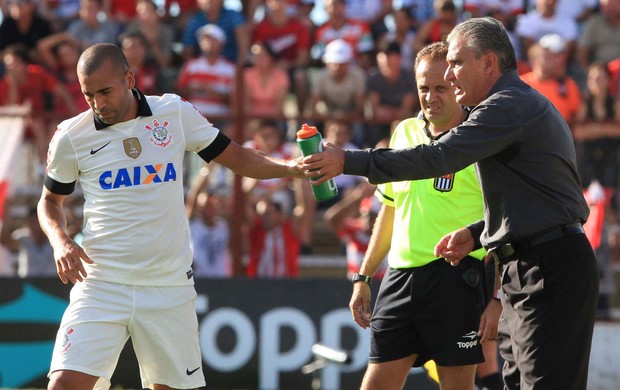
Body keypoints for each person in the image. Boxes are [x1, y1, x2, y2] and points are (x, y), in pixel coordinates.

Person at [302, 17, 598, 390]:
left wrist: (349, 161)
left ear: (489, 63)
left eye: (457, 63)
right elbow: (532, 201)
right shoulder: (507, 107)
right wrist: (477, 235)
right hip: (525, 266)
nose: (452, 75)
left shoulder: (507, 106)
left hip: (547, 267)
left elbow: (439, 157)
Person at [37, 43, 303, 389]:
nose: (98, 104)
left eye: (105, 91)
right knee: (62, 385)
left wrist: (293, 168)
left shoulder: (174, 113)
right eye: (89, 95)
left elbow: (237, 158)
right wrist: (61, 242)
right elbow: (49, 201)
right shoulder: (71, 136)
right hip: (101, 284)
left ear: (129, 78)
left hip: (168, 286)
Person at [347, 41, 500, 390]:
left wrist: (495, 299)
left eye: (440, 88)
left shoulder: (480, 140)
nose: (430, 96)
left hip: (458, 281)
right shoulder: (403, 132)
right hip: (399, 280)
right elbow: (389, 210)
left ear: (457, 85)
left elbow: (501, 223)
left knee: (457, 385)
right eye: (423, 88)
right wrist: (364, 276)